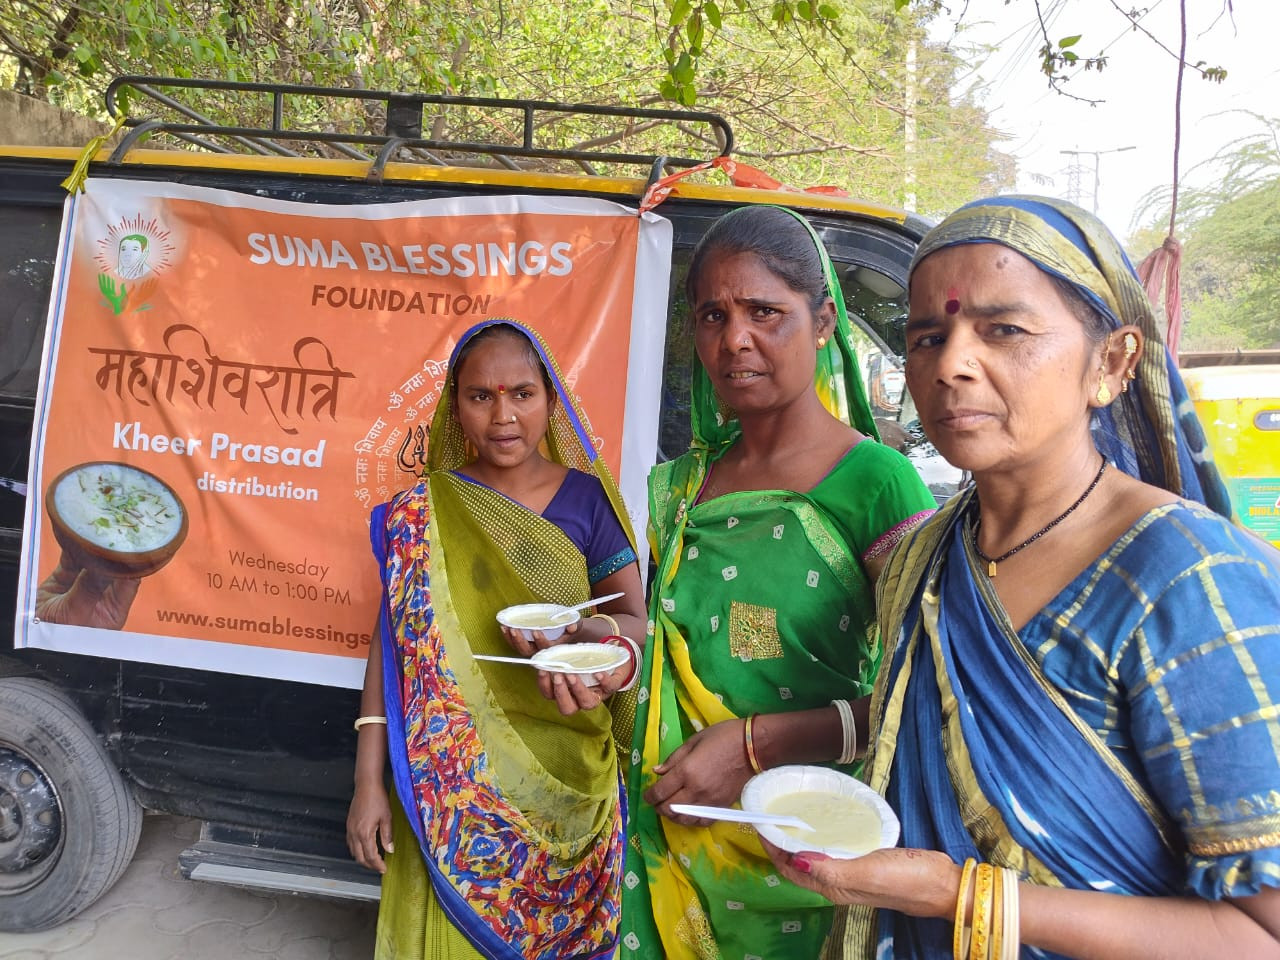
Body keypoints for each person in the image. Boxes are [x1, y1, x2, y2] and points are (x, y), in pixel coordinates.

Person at [765, 196, 1280, 959]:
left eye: (1003, 330)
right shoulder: (925, 554)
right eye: (928, 336)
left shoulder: (1188, 580)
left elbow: (1259, 933)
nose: (951, 365)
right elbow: (914, 719)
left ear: (1111, 362)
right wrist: (754, 745)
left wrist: (957, 896)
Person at [619, 205, 938, 960]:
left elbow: (920, 690)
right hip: (669, 834)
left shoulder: (876, 485)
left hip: (803, 851)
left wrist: (756, 746)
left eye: (765, 312)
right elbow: (667, 645)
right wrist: (611, 647)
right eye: (713, 315)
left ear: (824, 321)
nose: (735, 340)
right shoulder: (678, 485)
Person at [346, 318, 647, 960]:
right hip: (445, 784)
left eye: (522, 393)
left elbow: (637, 628)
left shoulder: (590, 502)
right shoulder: (422, 513)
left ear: (550, 398)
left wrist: (587, 633)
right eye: (481, 396)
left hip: (572, 777)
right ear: (455, 408)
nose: (503, 415)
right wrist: (368, 781)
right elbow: (394, 650)